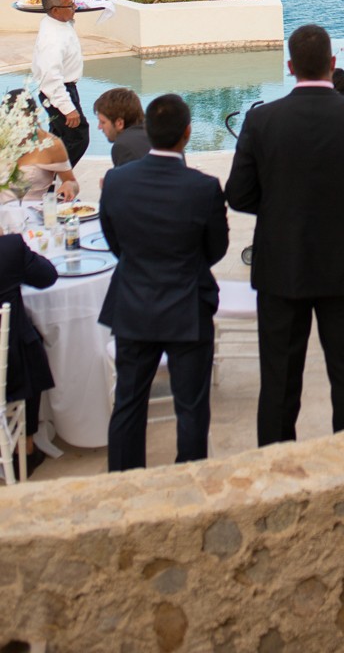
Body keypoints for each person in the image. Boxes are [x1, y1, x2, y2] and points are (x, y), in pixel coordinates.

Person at [225, 23, 344, 445]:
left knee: (279, 384)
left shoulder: (262, 120)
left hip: (281, 267)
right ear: (333, 63)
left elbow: (239, 194)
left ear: (290, 67)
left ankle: (276, 466)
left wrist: (280, 209)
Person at [98, 93, 229, 471]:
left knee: (128, 403)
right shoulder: (203, 187)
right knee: (191, 408)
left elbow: (115, 242)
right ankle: (188, 479)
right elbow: (216, 249)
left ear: (148, 131)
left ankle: (124, 482)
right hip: (187, 306)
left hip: (133, 304)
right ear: (187, 133)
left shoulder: (116, 181)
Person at [0, 231, 57, 479]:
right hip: (9, 371)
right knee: (28, 342)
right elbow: (47, 276)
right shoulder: (9, 248)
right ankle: (25, 445)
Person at [29, 0, 90, 167]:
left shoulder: (56, 21)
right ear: (55, 10)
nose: (75, 7)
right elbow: (50, 77)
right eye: (70, 5)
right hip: (58, 91)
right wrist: (67, 108)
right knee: (78, 137)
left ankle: (49, 180)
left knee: (57, 139)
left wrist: (70, 8)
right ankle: (55, 175)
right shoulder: (52, 39)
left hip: (65, 88)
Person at [0, 90, 79, 205]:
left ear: (34, 118)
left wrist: (69, 186)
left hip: (33, 211)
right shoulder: (3, 138)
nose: (17, 128)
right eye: (11, 123)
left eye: (22, 123)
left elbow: (71, 182)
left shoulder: (51, 144)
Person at [94, 87, 151, 166]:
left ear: (119, 123)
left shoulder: (123, 146)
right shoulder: (153, 132)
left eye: (103, 122)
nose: (99, 127)